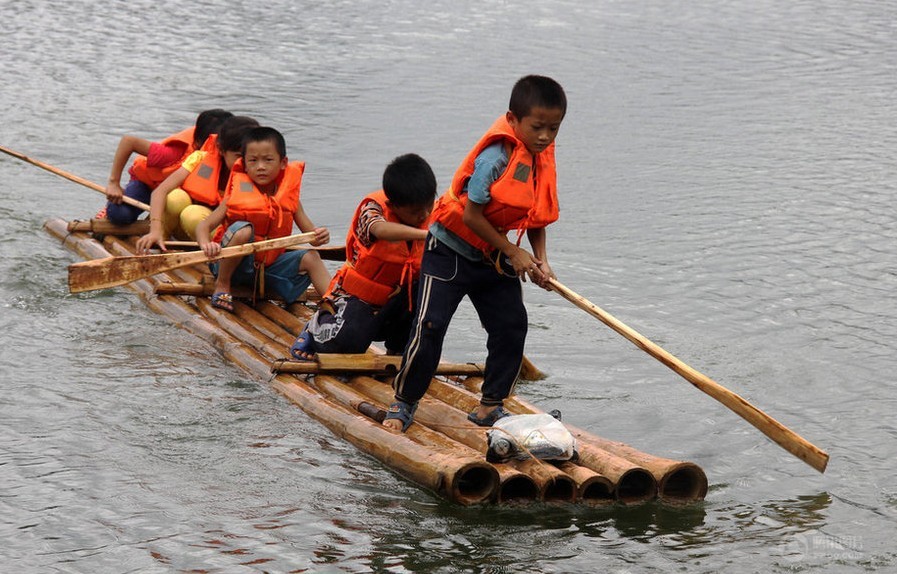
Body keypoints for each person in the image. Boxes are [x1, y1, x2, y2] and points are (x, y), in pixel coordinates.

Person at [383, 75, 567, 432]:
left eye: (554, 128)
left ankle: (490, 405)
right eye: (537, 127)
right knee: (430, 325)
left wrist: (540, 259)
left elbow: (535, 215)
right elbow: (471, 215)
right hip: (450, 251)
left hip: (493, 258)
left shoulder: (540, 159)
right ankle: (403, 403)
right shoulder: (495, 158)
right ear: (513, 120)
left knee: (511, 325)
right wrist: (514, 252)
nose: (545, 136)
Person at [289, 153, 437, 361]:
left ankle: (398, 349)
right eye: (415, 212)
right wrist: (425, 235)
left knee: (429, 300)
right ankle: (316, 328)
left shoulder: (435, 213)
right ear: (393, 205)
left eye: (428, 206)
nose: (424, 215)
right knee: (347, 346)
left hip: (398, 300)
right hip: (359, 298)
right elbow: (379, 229)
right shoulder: (373, 209)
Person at [194, 126, 331, 312]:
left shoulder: (290, 199)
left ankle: (335, 303)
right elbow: (204, 226)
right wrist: (206, 244)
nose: (260, 167)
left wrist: (320, 236)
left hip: (268, 270)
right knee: (243, 230)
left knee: (311, 257)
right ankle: (222, 285)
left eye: (268, 160)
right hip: (233, 269)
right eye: (253, 160)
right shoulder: (235, 196)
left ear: (283, 163)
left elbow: (312, 237)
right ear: (244, 164)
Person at [135, 116, 260, 252]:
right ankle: (158, 242)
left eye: (250, 156)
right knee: (175, 197)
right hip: (187, 230)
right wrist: (155, 230)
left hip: (223, 239)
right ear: (221, 149)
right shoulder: (201, 158)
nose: (244, 161)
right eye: (238, 155)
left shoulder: (258, 172)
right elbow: (160, 191)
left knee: (192, 214)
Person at [101, 109, 233, 224]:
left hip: (179, 196)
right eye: (217, 148)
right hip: (150, 186)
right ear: (198, 143)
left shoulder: (234, 156)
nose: (221, 153)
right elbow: (128, 142)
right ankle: (109, 210)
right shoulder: (173, 154)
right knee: (120, 215)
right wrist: (114, 183)